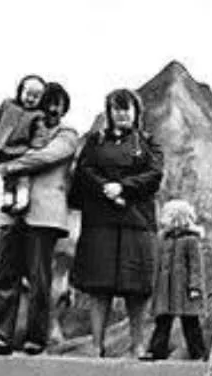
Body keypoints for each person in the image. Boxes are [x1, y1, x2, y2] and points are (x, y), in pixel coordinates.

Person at [0, 83, 78, 357]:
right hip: (11, 216)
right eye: (49, 102)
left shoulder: (67, 134)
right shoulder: (25, 127)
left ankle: (36, 337)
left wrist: (11, 163)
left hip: (45, 215)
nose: (53, 108)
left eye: (59, 104)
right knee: (4, 276)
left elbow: (50, 155)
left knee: (39, 279)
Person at [68, 87, 164, 358]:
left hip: (138, 221)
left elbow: (154, 174)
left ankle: (138, 345)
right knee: (100, 286)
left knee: (137, 287)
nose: (122, 114)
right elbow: (84, 171)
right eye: (117, 109)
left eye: (127, 109)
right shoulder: (95, 142)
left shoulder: (147, 142)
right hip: (100, 222)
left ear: (135, 112)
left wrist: (124, 187)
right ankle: (97, 345)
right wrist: (105, 188)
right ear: (109, 113)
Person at [145, 199, 208, 361]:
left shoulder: (191, 240)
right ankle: (156, 351)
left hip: (184, 289)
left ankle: (198, 353)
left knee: (190, 322)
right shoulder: (163, 239)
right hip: (165, 289)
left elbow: (196, 267)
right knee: (163, 321)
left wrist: (195, 287)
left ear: (175, 218)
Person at [0, 74, 47, 217]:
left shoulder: (38, 115)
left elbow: (39, 132)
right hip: (2, 146)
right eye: (28, 94)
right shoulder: (8, 105)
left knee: (22, 176)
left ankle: (22, 201)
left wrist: (35, 147)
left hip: (21, 149)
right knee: (7, 175)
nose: (31, 99)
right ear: (20, 91)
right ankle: (7, 200)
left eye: (36, 96)